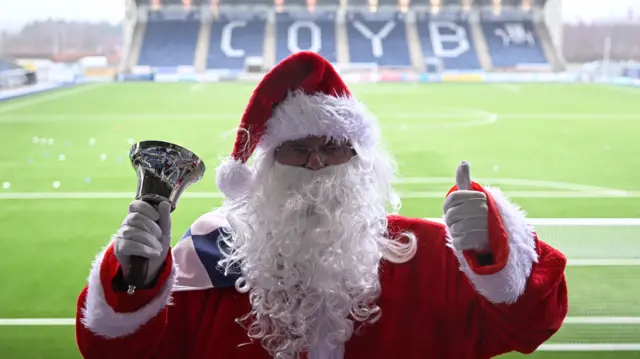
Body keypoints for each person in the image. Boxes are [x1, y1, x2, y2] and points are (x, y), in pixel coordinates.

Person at [75, 51, 568, 359]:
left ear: (360, 161)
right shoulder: (204, 259)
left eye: (334, 146)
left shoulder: (431, 254)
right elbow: (116, 351)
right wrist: (135, 282)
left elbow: (530, 325)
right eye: (296, 148)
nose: (316, 163)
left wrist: (492, 251)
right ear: (266, 166)